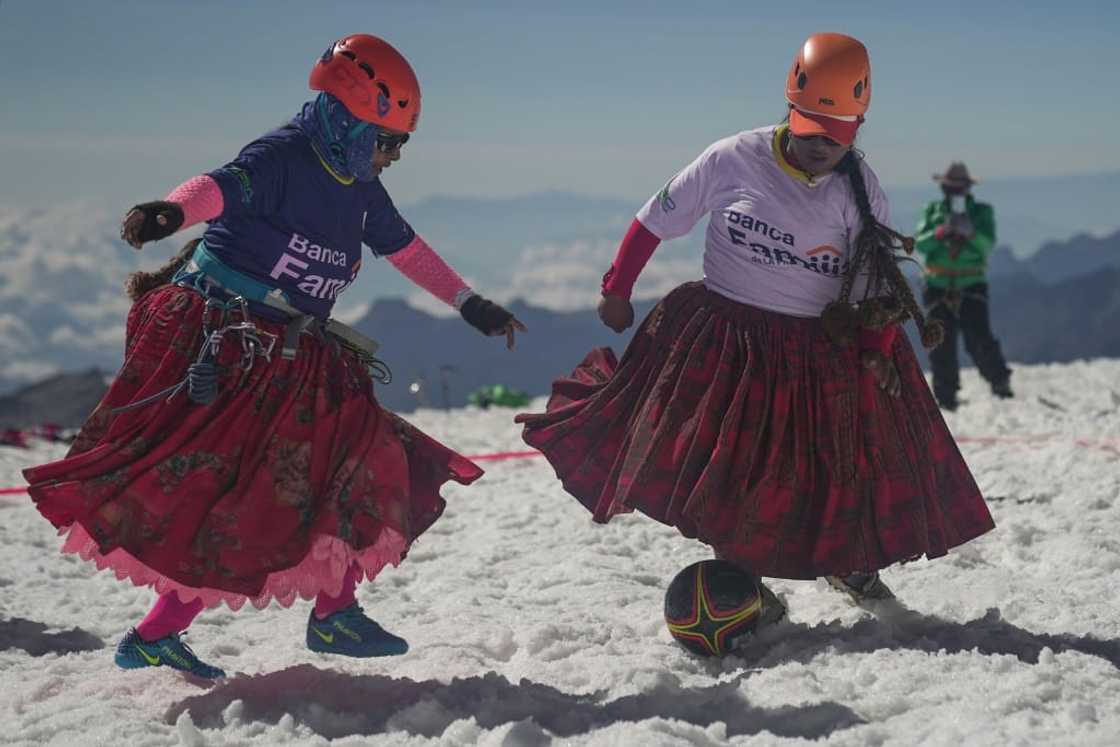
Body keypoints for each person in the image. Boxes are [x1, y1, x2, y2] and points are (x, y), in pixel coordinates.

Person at [23, 34, 525, 680]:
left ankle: (329, 610)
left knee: (358, 452)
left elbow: (404, 248)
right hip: (225, 344)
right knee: (239, 497)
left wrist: (467, 302)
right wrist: (170, 212)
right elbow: (219, 189)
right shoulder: (285, 156)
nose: (394, 155)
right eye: (387, 138)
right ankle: (167, 633)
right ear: (348, 118)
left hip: (284, 350)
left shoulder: (359, 185)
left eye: (400, 142)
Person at [516, 33, 994, 618]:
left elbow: (876, 283)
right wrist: (616, 289)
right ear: (790, 112)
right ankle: (738, 585)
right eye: (814, 132)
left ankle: (849, 565)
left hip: (820, 348)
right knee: (733, 463)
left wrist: (875, 350)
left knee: (832, 465)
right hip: (729, 341)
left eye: (839, 138)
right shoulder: (732, 158)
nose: (824, 148)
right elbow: (653, 220)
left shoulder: (860, 189)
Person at [915, 162, 1012, 410]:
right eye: (951, 187)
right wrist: (940, 233)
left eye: (959, 187)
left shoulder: (982, 213)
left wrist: (970, 234)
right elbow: (920, 245)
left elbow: (987, 245)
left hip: (971, 283)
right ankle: (945, 395)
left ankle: (999, 381)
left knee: (978, 337)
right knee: (940, 343)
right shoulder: (932, 211)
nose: (955, 192)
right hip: (937, 284)